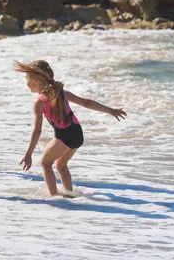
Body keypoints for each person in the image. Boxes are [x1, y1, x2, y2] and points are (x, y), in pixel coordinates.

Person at [14, 60, 126, 196]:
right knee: (61, 165)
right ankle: (69, 195)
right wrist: (110, 110)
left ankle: (54, 196)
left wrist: (28, 154)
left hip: (64, 136)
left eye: (27, 78)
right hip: (77, 133)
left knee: (45, 163)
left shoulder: (40, 102)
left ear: (36, 80)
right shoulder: (62, 93)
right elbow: (86, 102)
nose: (26, 82)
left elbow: (37, 130)